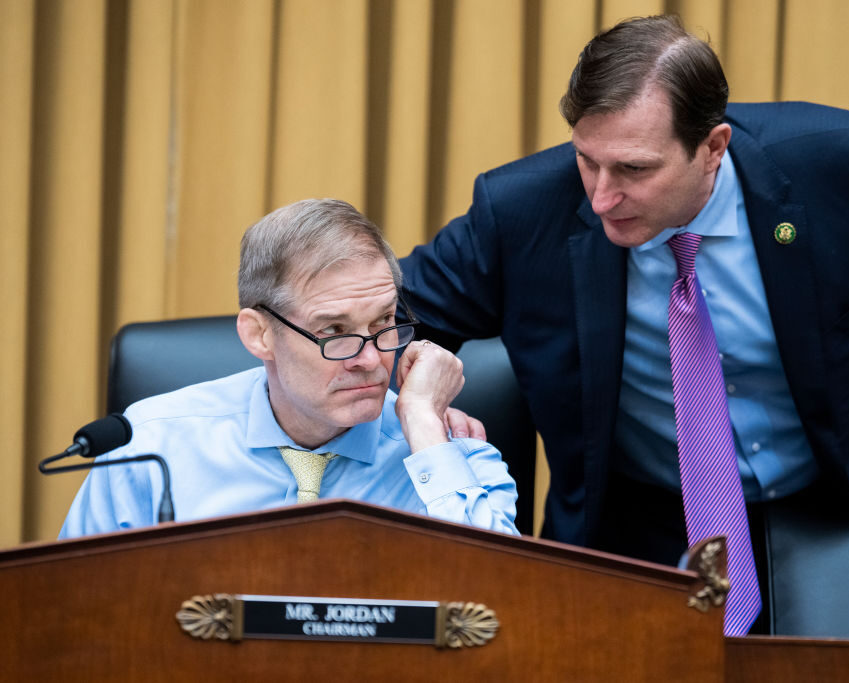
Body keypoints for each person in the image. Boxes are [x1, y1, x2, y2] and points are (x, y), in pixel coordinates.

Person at [398, 14, 849, 632]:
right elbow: (391, 318)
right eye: (588, 160)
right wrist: (424, 398)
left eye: (635, 170)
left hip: (842, 511)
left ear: (713, 148)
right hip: (634, 532)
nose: (600, 197)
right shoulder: (521, 211)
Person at [60, 199, 518, 538]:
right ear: (259, 335)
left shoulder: (451, 455)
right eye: (335, 331)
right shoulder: (150, 447)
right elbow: (75, 611)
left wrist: (421, 422)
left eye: (383, 322)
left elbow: (508, 600)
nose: (370, 359)